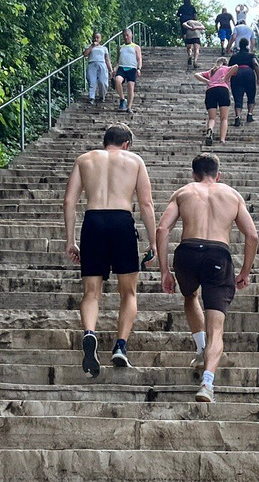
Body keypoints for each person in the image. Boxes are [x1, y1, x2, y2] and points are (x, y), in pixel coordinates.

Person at [156, 153, 258, 403]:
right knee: (216, 327)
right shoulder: (232, 195)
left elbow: (162, 229)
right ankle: (207, 383)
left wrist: (164, 270)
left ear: (194, 174)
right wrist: (245, 271)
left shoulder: (184, 192)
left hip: (187, 252)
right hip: (217, 254)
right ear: (218, 175)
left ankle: (201, 346)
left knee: (190, 295)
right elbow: (253, 236)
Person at [63, 124, 157, 375]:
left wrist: (70, 240)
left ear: (105, 141)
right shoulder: (134, 161)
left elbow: (69, 201)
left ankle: (90, 333)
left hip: (93, 222)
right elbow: (146, 203)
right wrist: (153, 241)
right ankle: (120, 346)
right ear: (126, 144)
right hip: (121, 221)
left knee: (91, 292)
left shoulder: (85, 160)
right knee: (129, 292)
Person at [195, 58, 239, 146]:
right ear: (225, 63)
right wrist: (226, 77)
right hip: (223, 90)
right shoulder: (225, 68)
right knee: (224, 118)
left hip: (210, 90)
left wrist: (207, 81)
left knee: (212, 118)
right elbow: (236, 66)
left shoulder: (211, 71)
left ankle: (210, 129)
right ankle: (222, 139)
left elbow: (196, 74)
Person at [228, 38, 259, 126]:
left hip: (237, 74)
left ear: (239, 46)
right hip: (249, 73)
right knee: (251, 95)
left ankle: (237, 117)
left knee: (238, 97)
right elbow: (256, 64)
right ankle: (249, 115)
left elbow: (229, 68)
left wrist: (227, 79)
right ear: (247, 45)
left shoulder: (234, 56)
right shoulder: (251, 55)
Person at [114, 29, 142, 112]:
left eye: (127, 35)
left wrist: (139, 68)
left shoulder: (136, 47)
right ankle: (122, 99)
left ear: (131, 36)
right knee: (117, 80)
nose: (126, 37)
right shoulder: (121, 47)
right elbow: (118, 60)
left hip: (132, 68)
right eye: (124, 36)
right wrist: (115, 68)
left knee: (130, 86)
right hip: (122, 67)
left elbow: (139, 59)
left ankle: (129, 107)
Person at [84, 32, 113, 104]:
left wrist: (110, 70)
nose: (96, 39)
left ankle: (102, 96)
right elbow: (85, 54)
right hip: (92, 64)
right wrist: (92, 46)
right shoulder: (89, 47)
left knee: (102, 82)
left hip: (102, 64)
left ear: (100, 39)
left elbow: (107, 59)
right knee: (92, 81)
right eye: (95, 37)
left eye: (98, 37)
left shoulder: (104, 48)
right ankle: (91, 97)